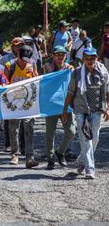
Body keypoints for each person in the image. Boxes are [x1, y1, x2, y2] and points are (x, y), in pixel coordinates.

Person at [62, 47, 109, 179]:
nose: (90, 60)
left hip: (97, 109)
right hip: (81, 109)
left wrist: (108, 108)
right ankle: (90, 169)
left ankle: (82, 161)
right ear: (83, 59)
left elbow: (107, 91)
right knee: (85, 138)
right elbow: (70, 92)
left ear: (96, 58)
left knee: (95, 138)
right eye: (87, 58)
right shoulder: (77, 73)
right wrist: (65, 110)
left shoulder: (103, 72)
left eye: (92, 58)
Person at [4, 45, 39, 168]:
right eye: (23, 58)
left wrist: (33, 74)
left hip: (28, 103)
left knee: (29, 128)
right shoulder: (10, 65)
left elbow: (37, 81)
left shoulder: (32, 64)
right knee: (14, 128)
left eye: (27, 59)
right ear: (18, 54)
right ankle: (14, 154)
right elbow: (4, 83)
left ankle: (30, 157)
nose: (25, 61)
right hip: (13, 103)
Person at [43, 46, 75, 170]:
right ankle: (50, 159)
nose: (60, 57)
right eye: (57, 54)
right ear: (53, 56)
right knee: (50, 134)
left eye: (62, 54)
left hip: (66, 106)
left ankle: (60, 152)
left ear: (65, 56)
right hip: (51, 105)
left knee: (71, 131)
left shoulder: (70, 69)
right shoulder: (47, 68)